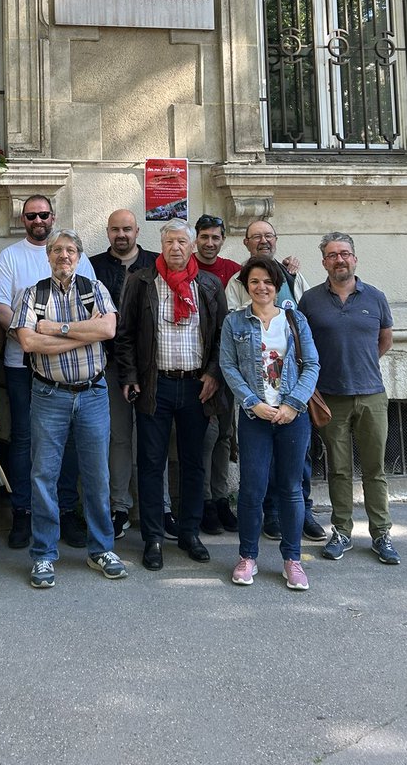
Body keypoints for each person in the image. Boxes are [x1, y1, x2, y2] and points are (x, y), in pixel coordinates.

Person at [14, 230, 126, 588]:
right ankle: (44, 555)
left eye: (71, 250)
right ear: (48, 256)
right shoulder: (33, 293)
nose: (64, 255)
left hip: (93, 394)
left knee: (97, 475)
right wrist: (82, 332)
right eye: (58, 250)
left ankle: (101, 549)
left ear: (79, 257)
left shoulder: (94, 288)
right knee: (43, 476)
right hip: (49, 395)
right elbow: (29, 341)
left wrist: (58, 330)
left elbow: (107, 329)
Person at [116, 218, 226, 572]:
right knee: (150, 463)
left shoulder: (208, 285)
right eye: (169, 243)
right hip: (155, 386)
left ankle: (191, 532)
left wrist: (212, 373)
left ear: (192, 246)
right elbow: (125, 334)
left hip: (197, 386)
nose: (175, 248)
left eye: (182, 242)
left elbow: (221, 336)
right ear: (160, 247)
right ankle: (153, 538)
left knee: (194, 463)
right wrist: (131, 376)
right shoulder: (142, 281)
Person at [0, 195, 96, 551]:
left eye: (43, 214)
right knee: (24, 441)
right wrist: (39, 332)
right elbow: (1, 310)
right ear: (23, 220)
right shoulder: (11, 257)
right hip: (22, 366)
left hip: (69, 368)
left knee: (67, 442)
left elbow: (96, 317)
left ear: (53, 216)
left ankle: (66, 511)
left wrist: (46, 330)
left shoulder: (76, 256)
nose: (38, 220)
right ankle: (24, 512)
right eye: (31, 215)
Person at [219, 255, 320, 591]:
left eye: (267, 281)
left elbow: (313, 365)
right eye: (254, 282)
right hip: (255, 418)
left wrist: (293, 404)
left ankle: (292, 560)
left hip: (293, 417)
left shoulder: (295, 319)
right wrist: (252, 403)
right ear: (246, 287)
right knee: (252, 489)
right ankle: (248, 557)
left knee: (291, 489)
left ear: (277, 285)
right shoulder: (234, 322)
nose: (261, 287)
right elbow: (228, 367)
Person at [299, 233, 399, 565]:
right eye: (332, 255)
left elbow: (384, 339)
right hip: (331, 399)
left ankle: (381, 534)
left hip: (371, 395)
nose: (339, 259)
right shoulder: (311, 301)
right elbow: (301, 346)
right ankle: (341, 531)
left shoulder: (376, 297)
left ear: (355, 258)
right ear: (324, 261)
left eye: (345, 254)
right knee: (339, 470)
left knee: (375, 469)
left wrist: (362, 366)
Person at [90, 209, 157, 539]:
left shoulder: (156, 264)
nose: (121, 235)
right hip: (110, 364)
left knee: (153, 439)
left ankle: (159, 508)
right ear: (107, 231)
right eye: (115, 229)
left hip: (152, 366)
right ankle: (119, 506)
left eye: (127, 229)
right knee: (117, 438)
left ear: (137, 231)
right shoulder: (93, 266)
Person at [193, 213, 240, 537]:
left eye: (215, 237)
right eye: (204, 237)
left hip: (230, 366)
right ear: (196, 238)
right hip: (198, 366)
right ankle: (204, 501)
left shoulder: (232, 272)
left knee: (224, 436)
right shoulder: (187, 267)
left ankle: (222, 498)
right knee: (203, 438)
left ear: (223, 239)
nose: (210, 243)